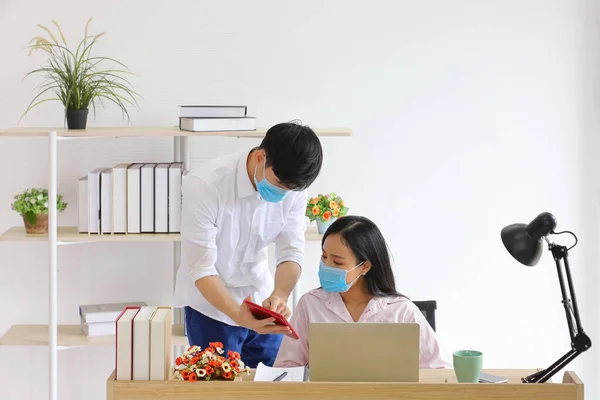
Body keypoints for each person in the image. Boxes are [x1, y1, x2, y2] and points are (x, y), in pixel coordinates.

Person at [173, 121, 323, 368]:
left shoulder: (293, 188)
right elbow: (201, 268)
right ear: (261, 157)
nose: (285, 193)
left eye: (292, 188)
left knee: (273, 382)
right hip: (212, 306)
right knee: (219, 389)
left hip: (261, 301)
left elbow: (291, 250)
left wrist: (280, 295)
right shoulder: (205, 185)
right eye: (280, 184)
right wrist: (237, 315)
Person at [274, 215, 451, 368]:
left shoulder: (401, 310)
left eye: (337, 262)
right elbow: (286, 366)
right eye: (324, 257)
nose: (326, 266)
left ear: (365, 266)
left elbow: (440, 368)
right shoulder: (310, 304)